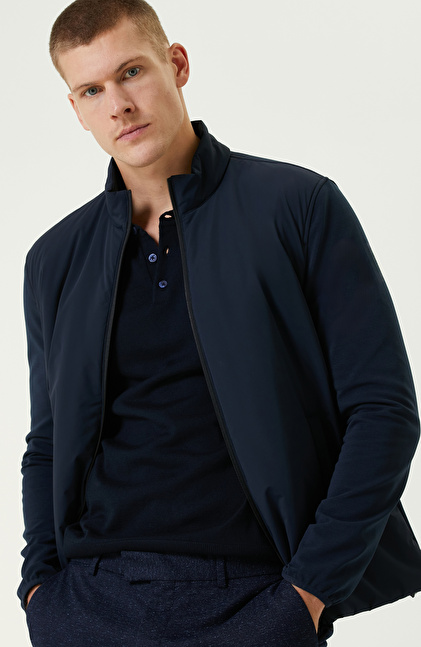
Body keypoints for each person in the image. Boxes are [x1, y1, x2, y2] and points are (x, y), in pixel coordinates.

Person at [18, 1, 421, 645]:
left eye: (131, 72)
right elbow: (47, 444)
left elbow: (383, 411)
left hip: (256, 600)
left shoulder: (298, 207)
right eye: (92, 90)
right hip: (88, 606)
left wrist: (309, 593)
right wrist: (41, 590)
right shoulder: (55, 259)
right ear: (76, 109)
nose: (118, 105)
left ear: (176, 65)